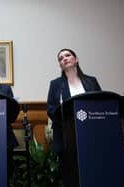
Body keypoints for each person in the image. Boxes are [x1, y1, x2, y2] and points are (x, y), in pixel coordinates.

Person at [47, 48, 101, 185]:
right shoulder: (56, 84)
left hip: (91, 134)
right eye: (60, 58)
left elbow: (101, 103)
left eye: (67, 55)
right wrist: (64, 118)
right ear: (60, 65)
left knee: (94, 173)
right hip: (66, 136)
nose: (64, 59)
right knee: (70, 176)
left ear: (76, 59)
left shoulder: (91, 81)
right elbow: (51, 109)